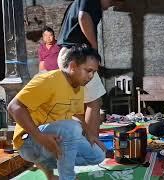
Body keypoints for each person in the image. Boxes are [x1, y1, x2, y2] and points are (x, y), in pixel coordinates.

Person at [8, 46, 106, 180]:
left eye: (94, 72)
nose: (91, 76)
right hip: (29, 142)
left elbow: (76, 114)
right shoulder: (48, 80)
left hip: (54, 140)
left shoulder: (79, 87)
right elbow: (13, 107)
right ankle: (67, 177)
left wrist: (90, 134)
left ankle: (48, 165)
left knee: (98, 155)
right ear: (72, 66)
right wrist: (40, 137)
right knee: (72, 128)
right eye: (88, 71)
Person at [57, 0, 123, 136]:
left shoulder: (79, 3)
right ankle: (91, 147)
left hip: (70, 54)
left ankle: (82, 143)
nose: (110, 6)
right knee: (94, 102)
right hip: (76, 55)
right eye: (111, 3)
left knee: (80, 105)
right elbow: (83, 17)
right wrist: (94, 49)